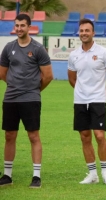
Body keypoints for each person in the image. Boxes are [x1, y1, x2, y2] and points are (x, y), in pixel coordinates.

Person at [0, 14, 53, 188]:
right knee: (9, 135)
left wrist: (33, 90)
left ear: (29, 27)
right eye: (17, 25)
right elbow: (2, 73)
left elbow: (48, 76)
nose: (19, 28)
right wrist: (15, 86)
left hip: (31, 99)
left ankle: (36, 176)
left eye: (23, 25)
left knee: (33, 136)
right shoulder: (8, 48)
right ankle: (7, 175)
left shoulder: (38, 49)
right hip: (10, 99)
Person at [67, 18, 106, 185]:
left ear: (93, 33)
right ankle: (92, 174)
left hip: (98, 100)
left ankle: (105, 172)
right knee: (84, 136)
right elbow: (71, 78)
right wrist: (82, 92)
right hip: (80, 100)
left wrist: (105, 95)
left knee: (99, 135)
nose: (84, 33)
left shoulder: (104, 52)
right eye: (81, 31)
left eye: (87, 31)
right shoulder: (73, 55)